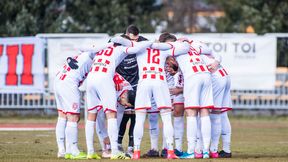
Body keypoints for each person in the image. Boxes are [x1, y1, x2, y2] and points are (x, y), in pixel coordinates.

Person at [85, 35, 152, 159]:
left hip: (91, 78)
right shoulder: (120, 49)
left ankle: (90, 151)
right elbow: (136, 49)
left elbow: (85, 50)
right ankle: (115, 151)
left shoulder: (100, 49)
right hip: (104, 78)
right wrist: (151, 43)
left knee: (91, 115)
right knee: (111, 115)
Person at [54, 41, 120, 159]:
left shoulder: (81, 55)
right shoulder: (93, 55)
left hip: (59, 80)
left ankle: (63, 150)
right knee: (73, 117)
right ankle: (73, 150)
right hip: (69, 83)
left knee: (62, 115)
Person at [132, 33, 190, 159]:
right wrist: (171, 44)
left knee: (140, 119)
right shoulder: (164, 50)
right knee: (166, 118)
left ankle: (136, 152)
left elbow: (124, 45)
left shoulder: (138, 49)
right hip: (159, 82)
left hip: (144, 82)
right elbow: (185, 47)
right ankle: (169, 151)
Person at [116, 25, 148, 157]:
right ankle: (117, 143)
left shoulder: (143, 41)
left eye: (136, 39)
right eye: (131, 40)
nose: (134, 43)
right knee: (123, 114)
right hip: (121, 84)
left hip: (136, 83)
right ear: (126, 35)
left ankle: (130, 145)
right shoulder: (117, 42)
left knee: (134, 114)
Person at [85, 72, 132, 159]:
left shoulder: (127, 88)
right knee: (97, 115)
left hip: (107, 87)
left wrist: (112, 138)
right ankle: (103, 150)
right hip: (99, 87)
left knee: (114, 118)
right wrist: (105, 136)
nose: (126, 105)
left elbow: (117, 122)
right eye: (126, 102)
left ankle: (113, 149)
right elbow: (100, 119)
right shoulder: (113, 85)